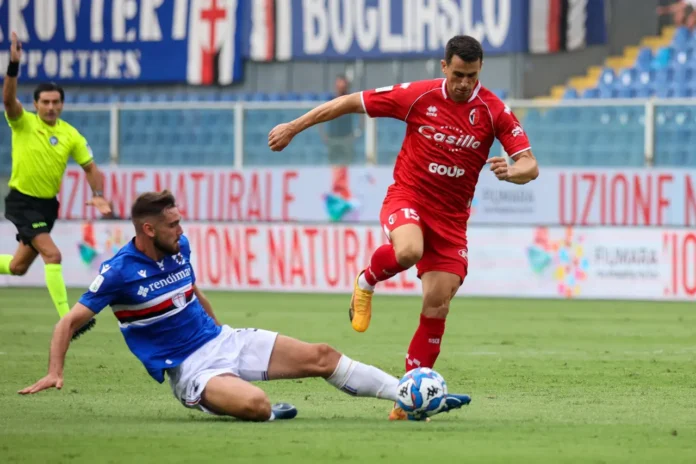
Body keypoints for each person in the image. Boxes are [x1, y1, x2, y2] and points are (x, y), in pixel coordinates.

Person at [18, 190, 472, 422]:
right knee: (256, 407)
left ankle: (411, 397)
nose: (182, 227)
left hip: (223, 340)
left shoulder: (179, 249)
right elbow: (70, 321)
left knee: (324, 356)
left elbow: (193, 292)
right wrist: (56, 370)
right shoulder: (118, 271)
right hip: (192, 369)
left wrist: (220, 330)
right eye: (173, 223)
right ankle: (261, 409)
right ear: (147, 229)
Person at [268, 35, 539, 420]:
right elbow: (349, 102)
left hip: (451, 221)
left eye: (472, 76)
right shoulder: (417, 96)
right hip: (408, 198)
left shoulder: (493, 110)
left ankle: (406, 401)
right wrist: (294, 127)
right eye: (458, 74)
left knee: (438, 304)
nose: (465, 83)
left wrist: (513, 173)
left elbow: (530, 164)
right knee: (409, 249)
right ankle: (366, 281)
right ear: (444, 67)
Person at [1, 32, 111, 339]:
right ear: (35, 104)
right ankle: (69, 320)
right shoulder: (23, 122)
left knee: (19, 266)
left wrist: (99, 195)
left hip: (47, 205)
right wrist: (13, 65)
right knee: (53, 255)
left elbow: (90, 167)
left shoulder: (70, 134)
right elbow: (8, 99)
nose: (50, 107)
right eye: (45, 102)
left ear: (62, 104)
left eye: (56, 102)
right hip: (22, 201)